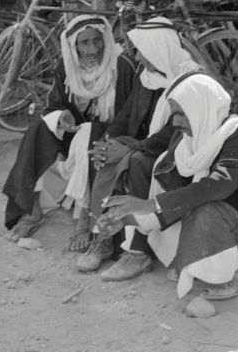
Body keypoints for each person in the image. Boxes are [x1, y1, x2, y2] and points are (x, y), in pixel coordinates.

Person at [97, 73, 238, 299]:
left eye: (180, 114)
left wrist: (148, 204)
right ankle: (200, 260)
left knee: (207, 206)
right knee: (188, 202)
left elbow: (217, 187)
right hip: (221, 226)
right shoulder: (188, 140)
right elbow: (177, 193)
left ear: (201, 106)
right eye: (174, 115)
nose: (176, 123)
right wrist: (126, 219)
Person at [76, 17, 202, 277]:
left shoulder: (190, 79)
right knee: (106, 152)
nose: (139, 59)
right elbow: (125, 115)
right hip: (145, 146)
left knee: (135, 162)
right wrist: (108, 141)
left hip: (177, 154)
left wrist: (133, 148)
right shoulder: (147, 76)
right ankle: (103, 238)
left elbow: (176, 131)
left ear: (159, 49)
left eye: (143, 52)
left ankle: (137, 253)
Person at [2, 14, 136, 248]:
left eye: (97, 40)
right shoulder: (67, 65)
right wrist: (62, 116)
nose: (93, 49)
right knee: (39, 128)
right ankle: (32, 211)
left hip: (111, 135)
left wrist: (100, 130)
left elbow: (131, 115)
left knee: (90, 131)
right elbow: (56, 104)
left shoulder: (122, 66)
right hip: (77, 131)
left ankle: (83, 219)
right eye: (84, 43)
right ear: (73, 45)